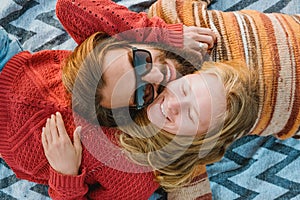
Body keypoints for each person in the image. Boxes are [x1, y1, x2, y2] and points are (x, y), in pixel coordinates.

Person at [58, 0, 299, 192]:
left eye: (140, 60)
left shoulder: (173, 18)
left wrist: (161, 35)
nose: (156, 75)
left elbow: (68, 5)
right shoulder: (186, 137)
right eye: (142, 92)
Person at [0, 0, 216, 199]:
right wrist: (162, 35)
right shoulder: (123, 50)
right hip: (7, 58)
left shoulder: (131, 172)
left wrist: (65, 174)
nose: (158, 75)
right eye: (139, 59)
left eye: (143, 92)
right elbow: (69, 6)